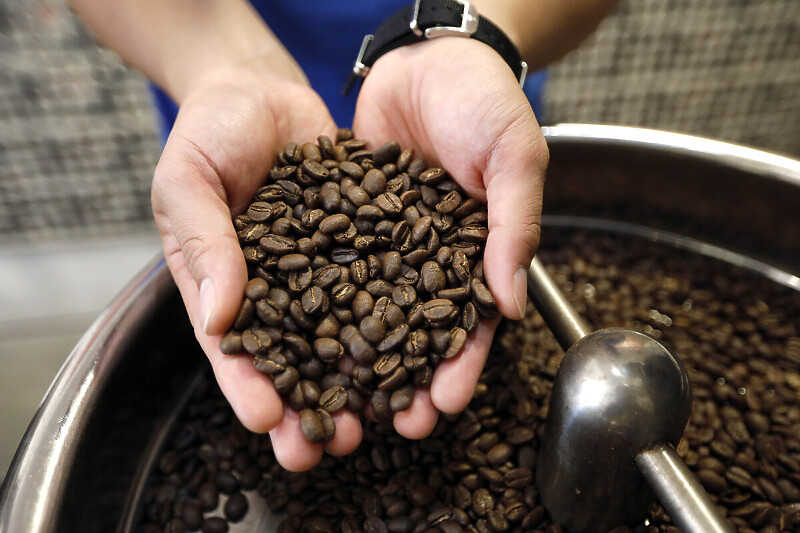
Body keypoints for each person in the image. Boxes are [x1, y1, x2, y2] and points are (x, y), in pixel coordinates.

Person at [68, 0, 618, 471]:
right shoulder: (285, 219)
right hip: (238, 137)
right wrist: (220, 67)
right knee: (222, 276)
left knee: (489, 278)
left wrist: (483, 35)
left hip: (455, 121)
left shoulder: (431, 213)